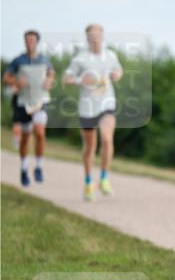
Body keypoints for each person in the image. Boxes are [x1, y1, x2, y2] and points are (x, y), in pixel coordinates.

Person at [63, 24, 123, 201]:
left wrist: (117, 75)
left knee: (106, 139)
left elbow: (119, 69)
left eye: (98, 34)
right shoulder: (80, 58)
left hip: (107, 103)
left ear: (103, 35)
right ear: (87, 37)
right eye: (91, 35)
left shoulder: (110, 54)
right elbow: (66, 79)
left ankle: (104, 177)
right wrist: (81, 79)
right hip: (87, 107)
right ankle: (89, 182)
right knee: (90, 147)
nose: (95, 37)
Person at [3, 30, 55, 187]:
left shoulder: (44, 59)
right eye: (27, 40)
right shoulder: (18, 60)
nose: (30, 42)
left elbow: (51, 74)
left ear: (37, 42)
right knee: (25, 138)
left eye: (32, 40)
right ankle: (24, 169)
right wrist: (15, 82)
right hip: (23, 102)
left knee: (39, 132)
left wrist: (49, 81)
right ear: (24, 42)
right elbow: (5, 78)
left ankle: (38, 167)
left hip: (40, 101)